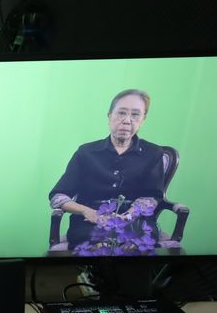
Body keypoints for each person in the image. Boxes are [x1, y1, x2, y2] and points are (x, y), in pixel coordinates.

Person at [49, 89, 166, 250]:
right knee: (96, 244)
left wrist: (128, 215)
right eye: (121, 113)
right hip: (90, 224)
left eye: (135, 115)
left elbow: (152, 196)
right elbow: (57, 196)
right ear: (110, 116)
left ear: (143, 119)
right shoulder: (86, 152)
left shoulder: (153, 153)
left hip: (135, 222)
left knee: (136, 243)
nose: (127, 120)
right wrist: (87, 212)